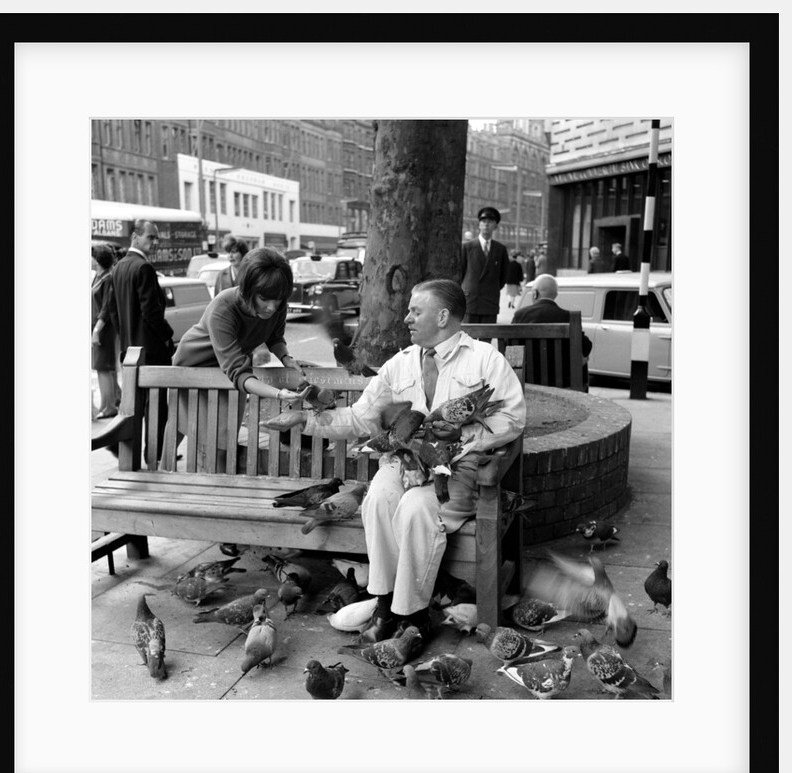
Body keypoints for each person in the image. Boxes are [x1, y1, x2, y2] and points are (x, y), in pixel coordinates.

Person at [262, 279, 526, 643]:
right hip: (401, 465)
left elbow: (512, 419)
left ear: (444, 316)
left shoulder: (485, 360)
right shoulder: (399, 364)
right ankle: (385, 603)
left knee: (416, 509)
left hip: (455, 474)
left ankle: (412, 615)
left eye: (416, 311)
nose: (406, 319)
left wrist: (462, 438)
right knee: (377, 501)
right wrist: (305, 420)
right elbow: (361, 417)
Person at [170, 246, 308, 471]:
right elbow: (239, 372)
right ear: (247, 289)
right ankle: (181, 480)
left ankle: (213, 486)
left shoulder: (276, 303)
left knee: (222, 440)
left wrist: (286, 358)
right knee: (200, 438)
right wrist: (279, 394)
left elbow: (274, 337)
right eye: (264, 298)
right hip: (194, 368)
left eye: (278, 300)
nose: (272, 307)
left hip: (229, 370)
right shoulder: (223, 307)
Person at [108, 219, 175, 459]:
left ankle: (123, 446)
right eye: (151, 237)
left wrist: (126, 337)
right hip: (151, 350)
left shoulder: (119, 267)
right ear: (135, 237)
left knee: (135, 402)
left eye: (157, 238)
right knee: (156, 403)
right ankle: (153, 453)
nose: (155, 242)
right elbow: (151, 312)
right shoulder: (143, 268)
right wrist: (168, 337)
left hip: (130, 350)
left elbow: (113, 310)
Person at [512, 274, 593, 390]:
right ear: (555, 294)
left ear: (535, 293)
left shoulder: (520, 315)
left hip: (529, 380)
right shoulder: (568, 317)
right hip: (563, 382)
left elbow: (508, 345)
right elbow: (586, 347)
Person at [458, 206, 510, 323]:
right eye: (483, 221)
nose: (486, 224)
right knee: (468, 338)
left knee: (487, 339)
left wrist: (491, 287)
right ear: (479, 225)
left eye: (490, 222)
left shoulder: (500, 249)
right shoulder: (467, 247)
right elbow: (461, 271)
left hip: (490, 301)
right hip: (470, 301)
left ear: (495, 226)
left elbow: (503, 276)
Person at [90, 244, 121, 419]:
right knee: (103, 367)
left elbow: (106, 308)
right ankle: (109, 402)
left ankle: (108, 406)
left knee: (103, 367)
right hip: (98, 328)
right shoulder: (98, 277)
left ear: (97, 259)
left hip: (104, 329)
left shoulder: (108, 278)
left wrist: (96, 330)